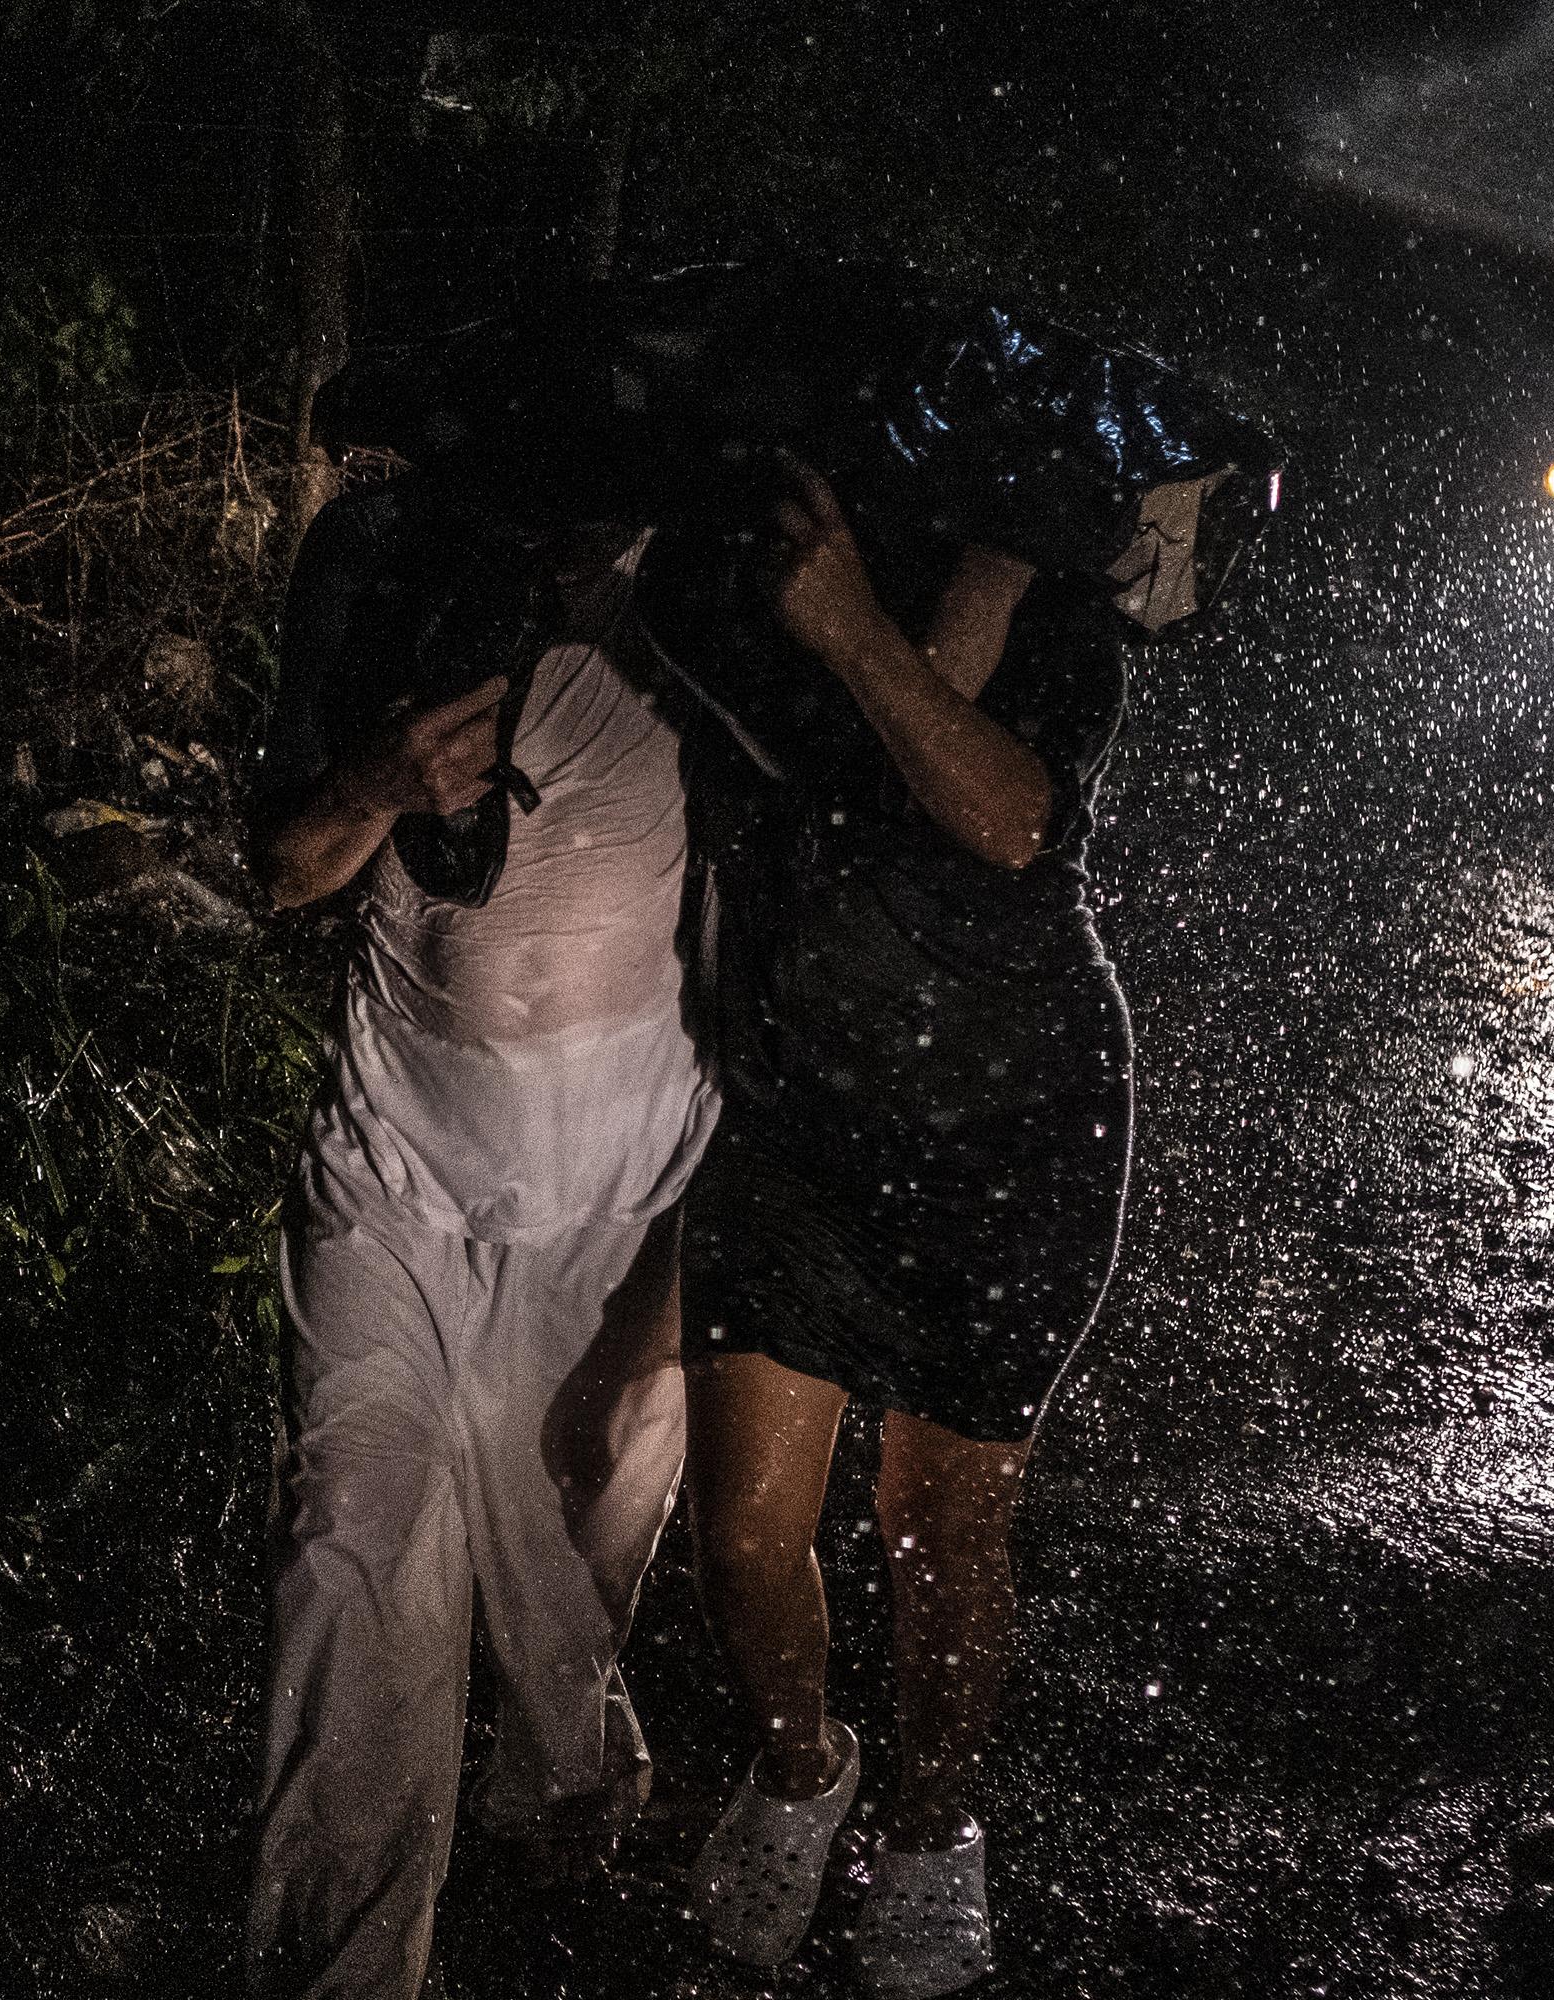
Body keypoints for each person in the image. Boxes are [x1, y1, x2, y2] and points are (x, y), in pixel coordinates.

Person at [241, 483, 716, 2000]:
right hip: (399, 1172)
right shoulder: (389, 559)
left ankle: (556, 1767)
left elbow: (797, 906)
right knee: (354, 1539)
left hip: (626, 1187)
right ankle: (344, 1965)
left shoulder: (719, 591)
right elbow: (282, 867)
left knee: (572, 1547)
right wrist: (374, 777)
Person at [671, 460, 1136, 1999]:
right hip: (803, 1114)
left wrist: (886, 623)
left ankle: (933, 1827)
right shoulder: (734, 564)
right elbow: (799, 767)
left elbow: (1006, 817)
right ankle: (806, 1769)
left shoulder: (1064, 590)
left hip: (1010, 1125)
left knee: (941, 1530)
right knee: (742, 1534)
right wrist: (839, 613)